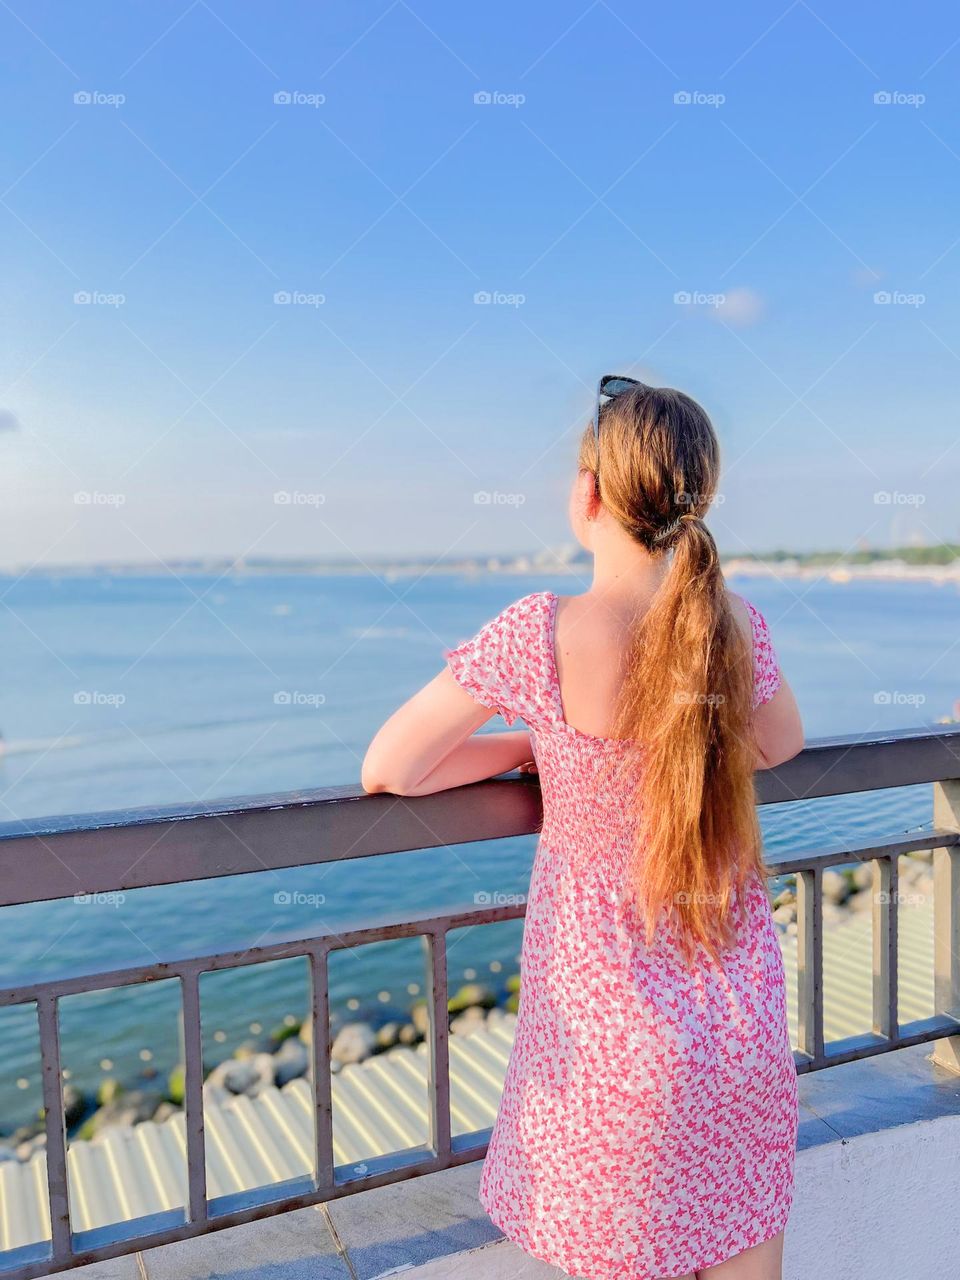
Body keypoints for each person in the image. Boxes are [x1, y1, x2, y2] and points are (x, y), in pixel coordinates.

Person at [362, 377, 804, 1280]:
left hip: (611, 1046)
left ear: (589, 493)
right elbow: (781, 744)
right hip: (740, 1026)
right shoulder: (731, 626)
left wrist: (539, 741)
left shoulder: (538, 634)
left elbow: (393, 768)